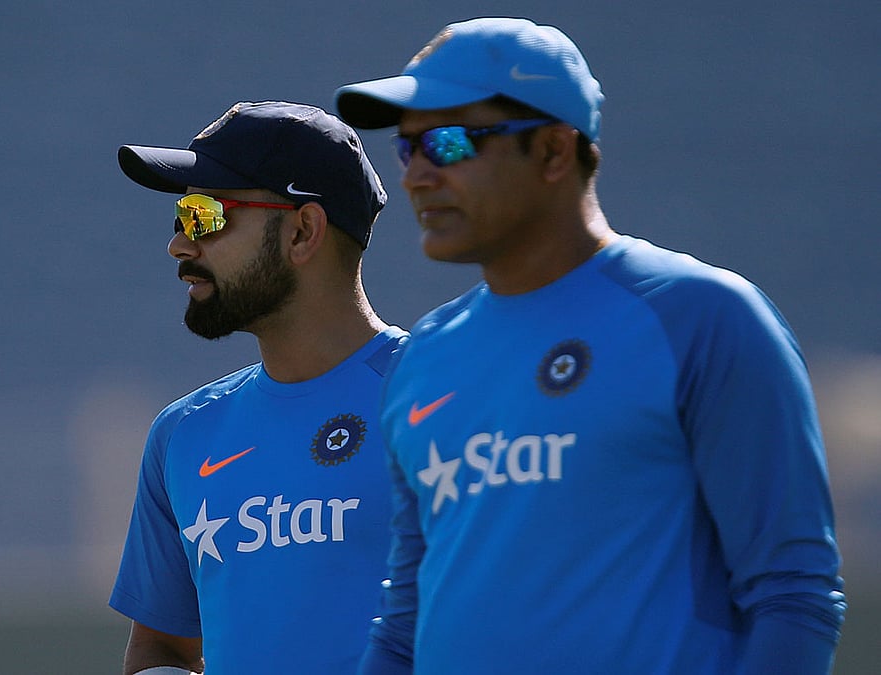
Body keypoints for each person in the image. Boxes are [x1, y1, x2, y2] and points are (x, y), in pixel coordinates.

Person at [334, 17, 846, 675]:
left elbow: (793, 593)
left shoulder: (702, 317)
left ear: (553, 151)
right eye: (408, 149)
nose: (417, 176)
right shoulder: (423, 357)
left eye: (451, 143)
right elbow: (403, 626)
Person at [109, 100, 406, 674]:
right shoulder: (184, 434)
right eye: (181, 217)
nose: (180, 244)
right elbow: (161, 650)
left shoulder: (444, 398)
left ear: (302, 231)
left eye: (205, 215)